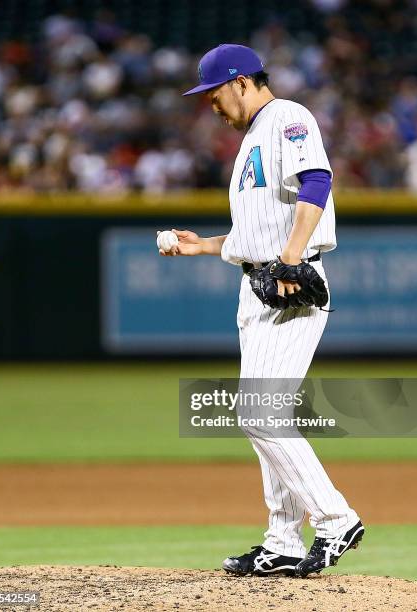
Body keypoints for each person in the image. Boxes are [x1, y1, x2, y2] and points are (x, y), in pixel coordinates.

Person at [159, 44, 364, 578]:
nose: (211, 106)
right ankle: (283, 540)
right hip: (258, 288)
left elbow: (318, 180)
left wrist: (292, 258)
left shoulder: (286, 117)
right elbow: (256, 236)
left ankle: (336, 518)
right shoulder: (253, 138)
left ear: (242, 81)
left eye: (214, 93)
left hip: (289, 288)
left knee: (259, 414)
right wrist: (201, 245)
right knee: (262, 416)